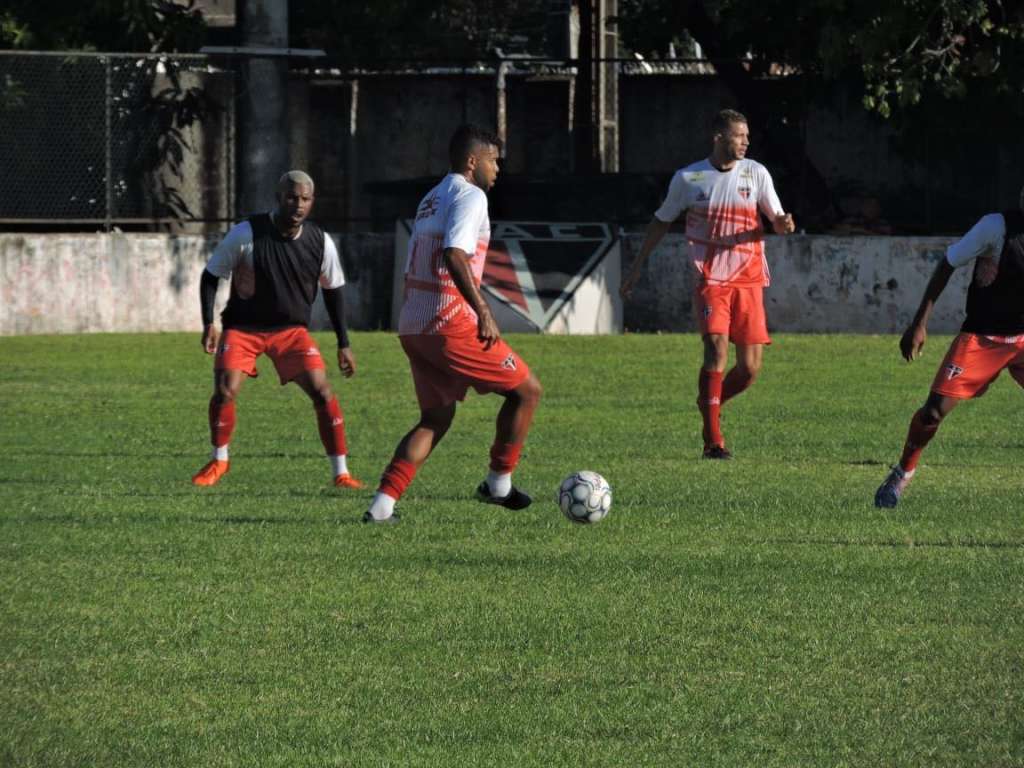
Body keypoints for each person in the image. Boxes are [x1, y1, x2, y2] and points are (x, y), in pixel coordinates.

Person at [363, 124, 543, 524]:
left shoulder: (431, 198)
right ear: (472, 161)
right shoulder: (471, 195)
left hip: (414, 324)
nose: (498, 169)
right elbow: (454, 255)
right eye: (494, 160)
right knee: (527, 391)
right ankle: (498, 484)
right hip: (448, 322)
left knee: (435, 418)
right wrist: (483, 310)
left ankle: (381, 506)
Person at [620, 109, 795, 459]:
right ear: (718, 137)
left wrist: (784, 224)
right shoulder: (689, 178)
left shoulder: (756, 173)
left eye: (747, 135)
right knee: (716, 348)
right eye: (739, 135)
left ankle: (710, 402)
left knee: (749, 370)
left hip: (749, 277)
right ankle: (713, 440)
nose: (746, 141)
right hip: (710, 278)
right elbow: (661, 221)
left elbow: (776, 220)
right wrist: (637, 266)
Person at [191, 170, 365, 490]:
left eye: (305, 199)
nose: (297, 205)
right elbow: (211, 275)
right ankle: (219, 460)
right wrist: (208, 323)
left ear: (312, 202)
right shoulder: (246, 233)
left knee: (323, 392)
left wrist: (344, 343)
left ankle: (341, 473)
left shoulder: (319, 241)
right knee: (225, 389)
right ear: (278, 197)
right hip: (243, 329)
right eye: (291, 197)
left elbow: (334, 290)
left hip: (291, 333)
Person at [875, 188, 1024, 508]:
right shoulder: (996, 227)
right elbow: (947, 263)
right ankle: (902, 472)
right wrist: (920, 322)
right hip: (983, 338)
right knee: (931, 414)